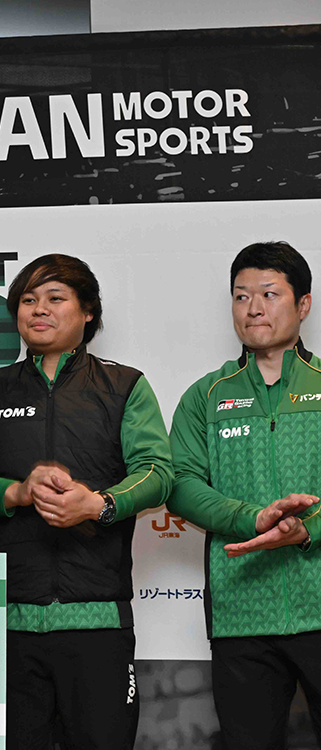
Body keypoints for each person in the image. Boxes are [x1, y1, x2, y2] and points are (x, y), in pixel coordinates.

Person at [0, 254, 173, 749]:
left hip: (98, 620)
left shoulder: (123, 386)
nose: (39, 309)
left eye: (55, 298)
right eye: (28, 300)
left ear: (88, 311)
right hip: (8, 622)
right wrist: (14, 493)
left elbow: (157, 472)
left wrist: (97, 504)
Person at [167, 241, 321, 750]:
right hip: (242, 616)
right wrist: (253, 519)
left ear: (303, 304)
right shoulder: (206, 396)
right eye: (240, 296)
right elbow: (181, 485)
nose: (253, 307)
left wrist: (307, 529)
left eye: (269, 294)